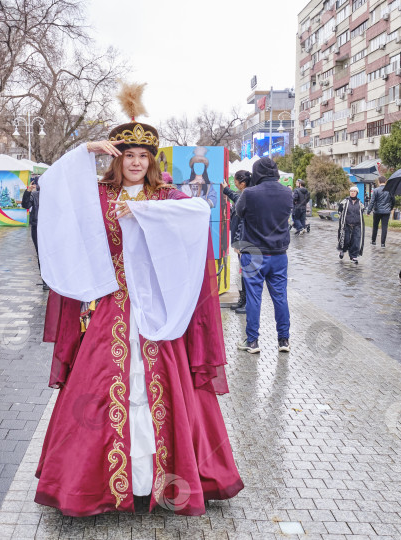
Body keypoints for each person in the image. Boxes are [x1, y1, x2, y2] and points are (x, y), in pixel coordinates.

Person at [34, 99, 242, 516]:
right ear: (117, 159)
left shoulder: (165, 194)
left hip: (156, 312)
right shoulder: (98, 194)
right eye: (127, 155)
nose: (134, 162)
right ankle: (91, 484)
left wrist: (146, 211)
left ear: (151, 159)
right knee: (96, 387)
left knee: (165, 385)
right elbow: (52, 193)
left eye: (141, 155)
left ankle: (166, 480)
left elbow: (198, 213)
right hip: (111, 305)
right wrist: (84, 151)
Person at [234, 157, 293, 354]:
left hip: (254, 253)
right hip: (279, 254)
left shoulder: (249, 193)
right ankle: (283, 340)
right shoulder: (287, 192)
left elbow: (239, 212)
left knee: (254, 298)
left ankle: (252, 342)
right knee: (280, 297)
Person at [223, 170, 251, 314]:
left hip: (244, 244)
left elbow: (242, 222)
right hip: (242, 243)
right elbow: (235, 196)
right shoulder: (244, 195)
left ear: (243, 183)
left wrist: (239, 243)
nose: (234, 183)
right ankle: (243, 300)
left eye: (235, 181)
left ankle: (246, 303)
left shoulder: (247, 196)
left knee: (246, 274)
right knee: (243, 273)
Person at [21, 176, 47, 290]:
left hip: (50, 228)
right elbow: (25, 205)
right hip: (37, 226)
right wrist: (28, 192)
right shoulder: (34, 195)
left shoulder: (54, 195)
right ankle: (45, 279)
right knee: (41, 254)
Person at [337, 185, 365, 264]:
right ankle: (342, 250)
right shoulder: (345, 201)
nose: (352, 193)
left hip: (356, 225)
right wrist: (341, 219)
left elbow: (362, 211)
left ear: (357, 193)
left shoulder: (360, 203)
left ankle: (353, 256)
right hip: (346, 224)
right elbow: (339, 210)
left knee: (355, 241)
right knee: (345, 240)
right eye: (351, 191)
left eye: (354, 191)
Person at [367, 176, 393, 247]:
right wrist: (390, 208)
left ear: (379, 182)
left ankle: (373, 241)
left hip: (377, 211)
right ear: (385, 181)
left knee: (375, 226)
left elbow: (372, 202)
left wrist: (368, 211)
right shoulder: (390, 190)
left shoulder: (376, 190)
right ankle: (383, 243)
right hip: (386, 212)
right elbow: (393, 200)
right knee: (384, 227)